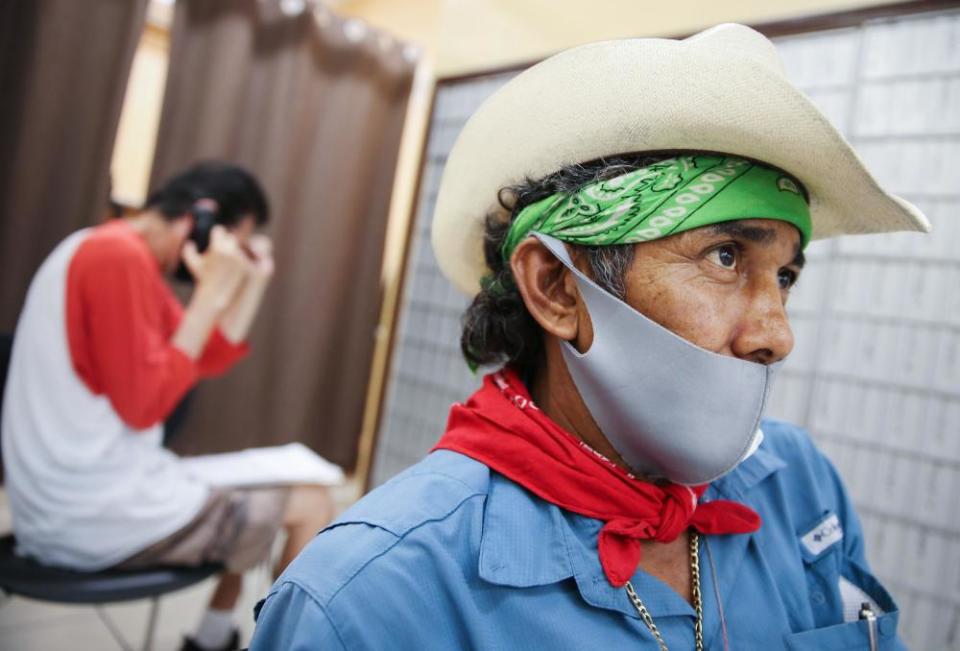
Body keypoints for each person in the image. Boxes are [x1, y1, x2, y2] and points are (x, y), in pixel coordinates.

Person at [250, 24, 928, 650]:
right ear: (556, 286)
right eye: (725, 256)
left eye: (783, 276)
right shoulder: (370, 601)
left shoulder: (797, 483)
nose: (777, 334)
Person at [1, 162, 334, 651]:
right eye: (236, 242)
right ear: (202, 220)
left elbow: (207, 354)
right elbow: (144, 406)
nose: (236, 258)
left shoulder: (115, 251)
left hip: (84, 495)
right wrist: (212, 290)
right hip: (87, 513)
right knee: (312, 503)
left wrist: (252, 282)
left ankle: (213, 638)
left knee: (259, 496)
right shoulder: (116, 259)